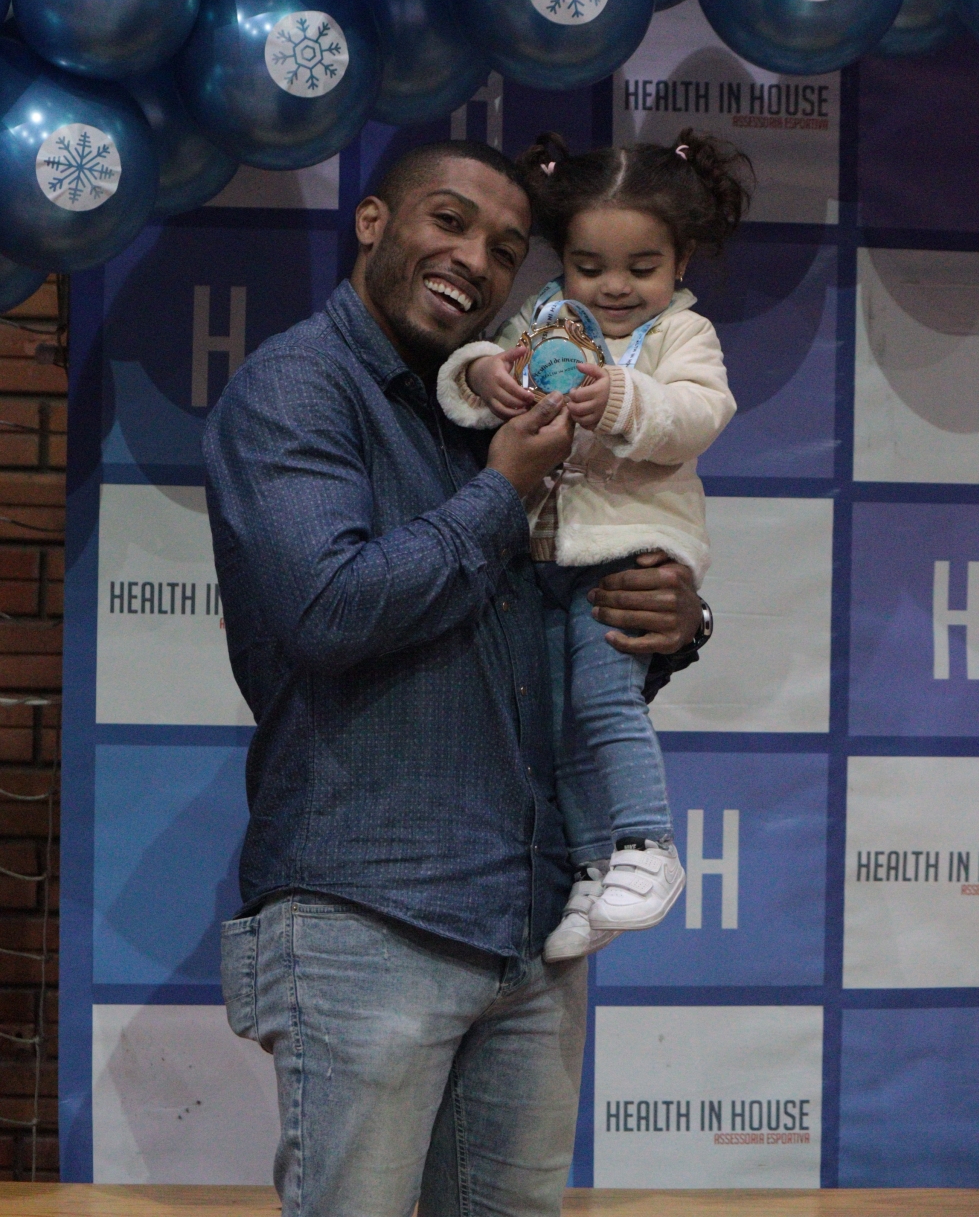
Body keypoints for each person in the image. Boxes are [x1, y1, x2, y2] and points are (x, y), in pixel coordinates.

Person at [203, 139, 710, 1217]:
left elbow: (543, 638)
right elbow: (331, 612)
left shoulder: (495, 398)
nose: (475, 260)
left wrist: (671, 624)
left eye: (506, 249)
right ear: (372, 222)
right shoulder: (298, 386)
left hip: (531, 922)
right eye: (448, 221)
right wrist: (500, 493)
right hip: (368, 914)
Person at [437, 131, 751, 961]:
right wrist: (481, 376)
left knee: (606, 705)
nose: (614, 287)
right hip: (541, 555)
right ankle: (593, 865)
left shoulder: (684, 334)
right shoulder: (547, 316)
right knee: (561, 721)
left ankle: (648, 844)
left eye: (641, 268)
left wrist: (616, 396)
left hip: (629, 552)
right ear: (564, 262)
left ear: (680, 261)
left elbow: (698, 416)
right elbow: (487, 361)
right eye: (589, 266)